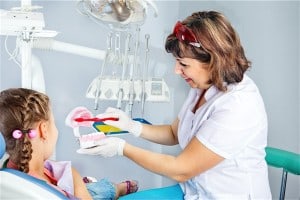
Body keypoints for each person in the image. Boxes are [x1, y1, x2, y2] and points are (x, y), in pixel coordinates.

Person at [77, 10, 272, 199]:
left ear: (214, 61)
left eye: (183, 64)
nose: (176, 70)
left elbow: (181, 170)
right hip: (194, 191)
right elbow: (173, 133)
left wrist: (121, 148)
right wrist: (132, 126)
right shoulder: (202, 86)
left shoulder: (238, 105)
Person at [0, 88, 138, 200]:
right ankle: (117, 189)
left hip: (67, 186)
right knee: (100, 190)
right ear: (44, 130)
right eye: (53, 123)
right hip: (79, 193)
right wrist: (76, 178)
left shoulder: (8, 173)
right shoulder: (47, 193)